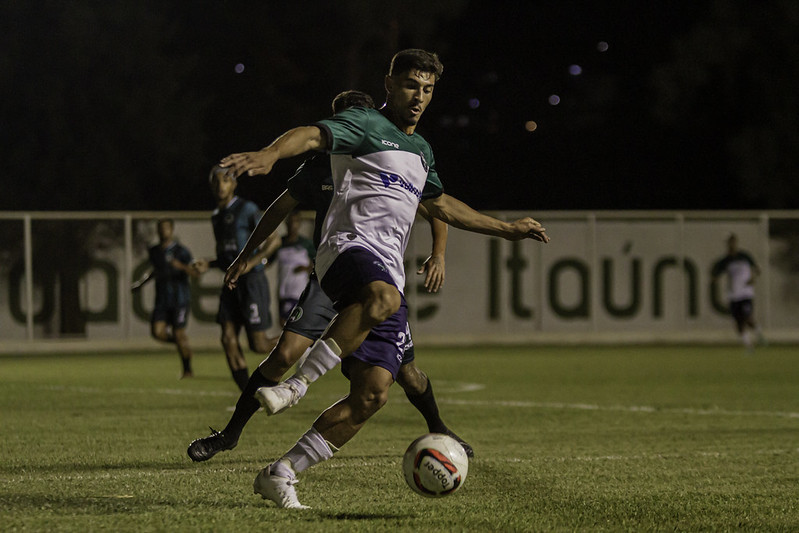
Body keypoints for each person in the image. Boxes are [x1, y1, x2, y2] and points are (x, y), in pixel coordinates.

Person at [219, 49, 549, 509]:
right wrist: (270, 154)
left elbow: (442, 206)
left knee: (373, 394)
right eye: (412, 85)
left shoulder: (422, 150)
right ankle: (297, 385)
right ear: (390, 84)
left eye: (428, 89)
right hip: (347, 250)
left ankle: (283, 471)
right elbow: (311, 135)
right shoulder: (366, 124)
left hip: (387, 268)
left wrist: (507, 229)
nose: (419, 96)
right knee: (384, 299)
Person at [187, 90, 472, 466]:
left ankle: (439, 428)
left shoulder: (386, 155)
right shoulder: (320, 165)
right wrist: (247, 254)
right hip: (334, 275)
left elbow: (436, 204)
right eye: (341, 120)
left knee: (408, 374)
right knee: (283, 354)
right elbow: (278, 209)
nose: (346, 127)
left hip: (377, 279)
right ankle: (229, 435)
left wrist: (438, 254)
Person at [191, 167, 281, 391]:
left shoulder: (246, 208)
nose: (221, 185)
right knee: (227, 338)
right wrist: (209, 263)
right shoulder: (216, 216)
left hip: (251, 281)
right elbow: (227, 257)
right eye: (217, 181)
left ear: (234, 184)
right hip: (231, 283)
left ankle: (303, 341)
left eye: (226, 180)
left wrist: (250, 263)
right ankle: (247, 396)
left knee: (259, 345)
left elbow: (274, 240)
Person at [131, 218, 196, 378]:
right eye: (160, 228)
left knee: (179, 333)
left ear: (171, 230)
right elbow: (155, 270)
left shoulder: (182, 251)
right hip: (162, 300)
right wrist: (141, 283)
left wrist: (180, 266)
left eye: (166, 228)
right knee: (157, 332)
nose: (163, 231)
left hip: (179, 299)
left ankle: (187, 369)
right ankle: (182, 345)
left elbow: (195, 272)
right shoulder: (154, 251)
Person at [711, 233, 764, 350]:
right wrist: (714, 279)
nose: (731, 245)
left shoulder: (744, 256)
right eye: (729, 243)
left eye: (733, 242)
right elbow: (716, 274)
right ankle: (749, 346)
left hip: (746, 293)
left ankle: (759, 334)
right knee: (738, 323)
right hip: (734, 295)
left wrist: (752, 278)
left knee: (748, 318)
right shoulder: (725, 260)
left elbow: (757, 269)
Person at [271, 210, 315, 327]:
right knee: (285, 325)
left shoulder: (306, 244)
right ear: (286, 224)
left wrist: (306, 268)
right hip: (283, 289)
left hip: (297, 291)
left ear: (299, 224)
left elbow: (318, 263)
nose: (292, 225)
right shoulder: (280, 243)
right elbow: (267, 261)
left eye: (295, 222)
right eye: (290, 222)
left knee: (286, 323)